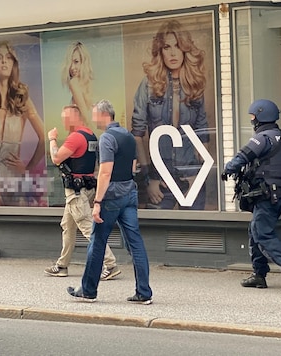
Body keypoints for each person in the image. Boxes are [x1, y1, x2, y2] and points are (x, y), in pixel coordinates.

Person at [68, 99, 153, 304]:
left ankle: (88, 290)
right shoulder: (129, 137)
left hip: (111, 196)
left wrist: (97, 202)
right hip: (129, 194)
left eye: (95, 113)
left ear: (104, 114)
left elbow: (105, 172)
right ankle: (144, 292)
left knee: (97, 241)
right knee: (136, 243)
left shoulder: (107, 138)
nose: (93, 117)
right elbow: (132, 168)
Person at [223, 99, 281, 295]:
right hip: (279, 195)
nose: (252, 121)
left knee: (262, 233)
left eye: (253, 117)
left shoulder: (263, 138)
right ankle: (259, 274)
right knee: (255, 229)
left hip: (266, 194)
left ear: (261, 117)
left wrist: (228, 169)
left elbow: (241, 157)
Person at [131, 19, 210, 210]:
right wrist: (149, 178)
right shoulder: (148, 84)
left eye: (177, 46)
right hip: (159, 179)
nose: (173, 52)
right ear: (160, 51)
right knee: (156, 234)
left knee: (195, 235)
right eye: (167, 47)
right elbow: (137, 135)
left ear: (185, 49)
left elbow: (203, 133)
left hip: (190, 176)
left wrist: (198, 176)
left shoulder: (194, 85)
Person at [44, 105, 121, 281]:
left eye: (65, 117)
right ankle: (62, 265)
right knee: (68, 226)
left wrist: (52, 140)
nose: (63, 121)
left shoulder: (75, 137)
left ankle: (110, 264)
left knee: (87, 227)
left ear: (73, 117)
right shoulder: (90, 135)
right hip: (86, 188)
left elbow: (56, 158)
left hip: (75, 192)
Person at [0, 40, 45, 206]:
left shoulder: (22, 99)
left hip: (15, 180)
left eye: (8, 57)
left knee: (20, 227)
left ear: (14, 63)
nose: (4, 61)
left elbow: (45, 138)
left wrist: (27, 168)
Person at [61, 41, 94, 123]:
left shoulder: (78, 83)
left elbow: (86, 118)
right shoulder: (76, 83)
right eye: (70, 63)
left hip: (81, 132)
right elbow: (87, 118)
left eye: (76, 62)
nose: (72, 67)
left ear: (84, 62)